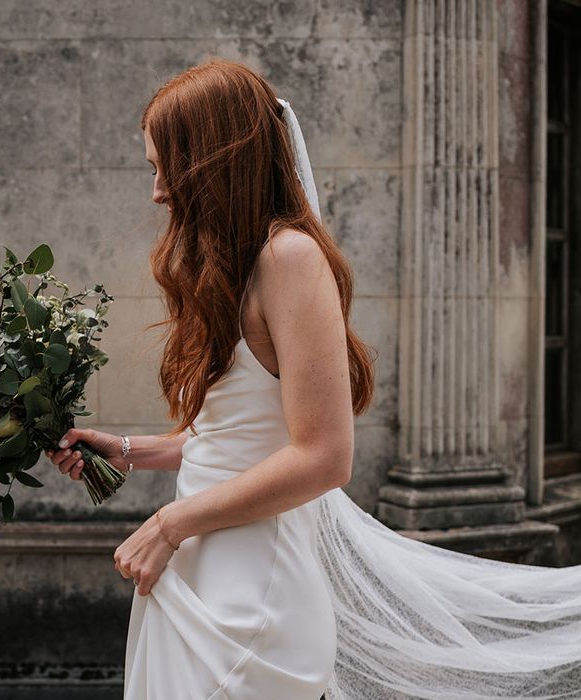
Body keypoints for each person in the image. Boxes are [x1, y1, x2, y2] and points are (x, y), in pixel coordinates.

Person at [46, 59, 581, 700]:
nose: (157, 191)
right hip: (199, 570)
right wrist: (129, 452)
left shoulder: (288, 258)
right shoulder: (233, 269)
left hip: (253, 593)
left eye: (165, 168)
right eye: (153, 170)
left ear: (213, 162)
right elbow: (235, 438)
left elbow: (324, 456)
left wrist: (168, 524)